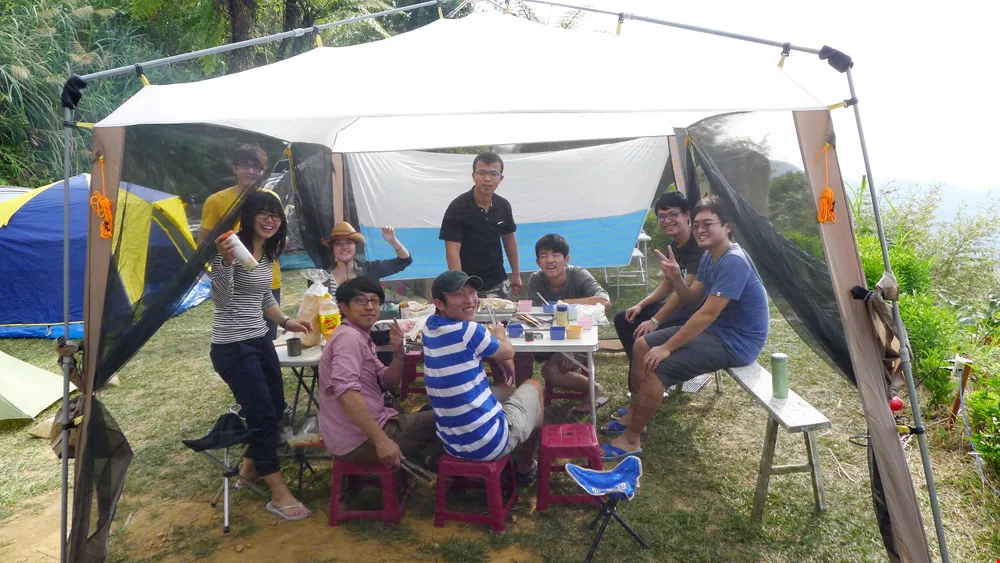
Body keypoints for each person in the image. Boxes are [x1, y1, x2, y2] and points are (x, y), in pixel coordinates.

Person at [601, 196, 769, 461]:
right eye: (698, 224)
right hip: (716, 331)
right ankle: (634, 414)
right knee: (642, 345)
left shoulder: (733, 260)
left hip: (737, 341)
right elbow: (691, 298)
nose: (700, 230)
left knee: (656, 365)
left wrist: (667, 348)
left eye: (708, 224)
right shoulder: (709, 256)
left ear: (726, 226)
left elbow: (707, 313)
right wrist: (677, 278)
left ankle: (631, 440)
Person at [209, 191, 312, 520]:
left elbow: (264, 295)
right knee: (262, 415)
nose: (271, 220)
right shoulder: (230, 250)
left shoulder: (267, 252)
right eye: (264, 214)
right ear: (249, 215)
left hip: (260, 340)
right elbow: (220, 299)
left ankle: (250, 468)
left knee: (277, 407)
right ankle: (278, 494)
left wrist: (286, 321)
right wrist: (226, 263)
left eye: (276, 215)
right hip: (232, 346)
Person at [421, 271, 542, 483]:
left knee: (505, 389)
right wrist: (499, 335)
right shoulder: (469, 331)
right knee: (534, 385)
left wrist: (496, 350)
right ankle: (526, 464)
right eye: (458, 295)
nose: (469, 300)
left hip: (452, 443)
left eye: (472, 292)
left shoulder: (429, 327)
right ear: (439, 303)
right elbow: (508, 352)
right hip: (489, 444)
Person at [318, 277, 440, 468]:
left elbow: (389, 382)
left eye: (374, 301)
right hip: (360, 440)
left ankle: (428, 461)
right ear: (343, 307)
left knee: (433, 410)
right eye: (360, 300)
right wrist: (381, 441)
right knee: (449, 418)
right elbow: (346, 393)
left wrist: (398, 354)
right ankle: (441, 469)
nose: (369, 306)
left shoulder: (359, 335)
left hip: (361, 430)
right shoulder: (349, 339)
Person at [515, 234, 610, 410]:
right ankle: (522, 403)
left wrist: (564, 304)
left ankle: (594, 388)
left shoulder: (578, 274)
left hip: (578, 338)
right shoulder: (537, 279)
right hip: (549, 337)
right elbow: (535, 316)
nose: (549, 260)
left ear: (566, 259)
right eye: (544, 255)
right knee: (519, 353)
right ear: (537, 262)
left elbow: (604, 302)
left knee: (551, 372)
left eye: (556, 254)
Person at [199, 144, 284, 340]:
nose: (251, 171)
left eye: (257, 167)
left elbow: (279, 237)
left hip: (268, 280)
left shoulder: (271, 197)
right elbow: (202, 244)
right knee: (241, 339)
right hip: (234, 285)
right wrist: (229, 249)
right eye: (246, 165)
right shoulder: (216, 201)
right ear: (235, 168)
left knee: (269, 340)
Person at [614, 191, 704, 361]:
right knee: (623, 318)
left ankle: (646, 367)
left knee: (646, 332)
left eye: (672, 214)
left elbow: (686, 294)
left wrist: (655, 321)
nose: (667, 220)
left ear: (687, 215)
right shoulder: (674, 246)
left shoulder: (697, 245)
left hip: (695, 312)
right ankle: (638, 366)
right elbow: (667, 286)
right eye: (662, 216)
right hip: (682, 308)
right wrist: (640, 305)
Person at [439, 152, 521, 300]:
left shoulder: (503, 205)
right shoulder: (457, 208)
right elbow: (452, 251)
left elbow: (509, 239)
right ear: (473, 176)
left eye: (493, 174)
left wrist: (516, 274)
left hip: (498, 281)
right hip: (469, 284)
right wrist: (460, 285)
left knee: (506, 314)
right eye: (482, 173)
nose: (487, 179)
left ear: (501, 178)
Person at [321, 221, 412, 296]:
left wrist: (392, 240)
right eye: (338, 243)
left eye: (349, 242)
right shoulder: (322, 278)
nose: (344, 247)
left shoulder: (370, 270)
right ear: (333, 248)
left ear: (356, 247)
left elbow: (404, 260)